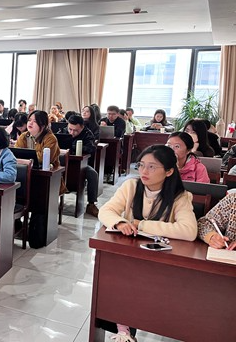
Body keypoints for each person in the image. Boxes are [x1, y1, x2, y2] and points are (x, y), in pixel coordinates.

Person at [98, 144, 197, 342]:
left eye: (152, 167)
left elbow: (189, 231)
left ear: (169, 171)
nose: (144, 171)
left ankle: (127, 329)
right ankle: (124, 331)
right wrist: (120, 222)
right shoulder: (131, 186)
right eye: (142, 165)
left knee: (135, 281)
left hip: (162, 260)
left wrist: (141, 224)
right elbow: (106, 211)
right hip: (130, 255)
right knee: (114, 275)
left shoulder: (180, 197)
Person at [16, 110, 67, 192]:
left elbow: (43, 158)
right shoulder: (24, 136)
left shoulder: (51, 138)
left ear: (43, 125)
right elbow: (16, 154)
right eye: (29, 120)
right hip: (26, 172)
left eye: (35, 121)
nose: (30, 123)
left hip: (47, 176)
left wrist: (26, 159)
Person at [66, 115, 100, 216]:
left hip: (81, 164)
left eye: (75, 130)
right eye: (70, 129)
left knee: (93, 174)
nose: (72, 133)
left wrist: (74, 147)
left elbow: (91, 148)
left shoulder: (88, 134)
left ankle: (91, 204)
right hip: (63, 163)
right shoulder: (63, 131)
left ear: (82, 127)